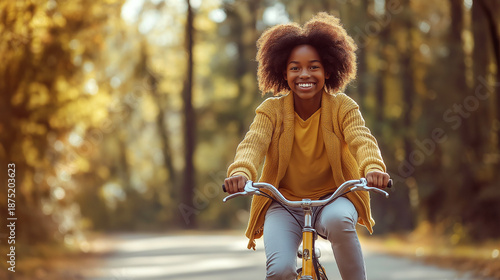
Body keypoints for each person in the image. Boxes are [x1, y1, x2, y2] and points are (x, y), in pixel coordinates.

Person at [224, 12, 390, 280]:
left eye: (314, 66)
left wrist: (373, 167)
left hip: (333, 199)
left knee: (339, 222)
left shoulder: (342, 107)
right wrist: (240, 172)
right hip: (282, 203)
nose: (304, 74)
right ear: (283, 72)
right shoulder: (271, 110)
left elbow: (362, 138)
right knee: (280, 272)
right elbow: (252, 144)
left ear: (328, 70)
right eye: (295, 67)